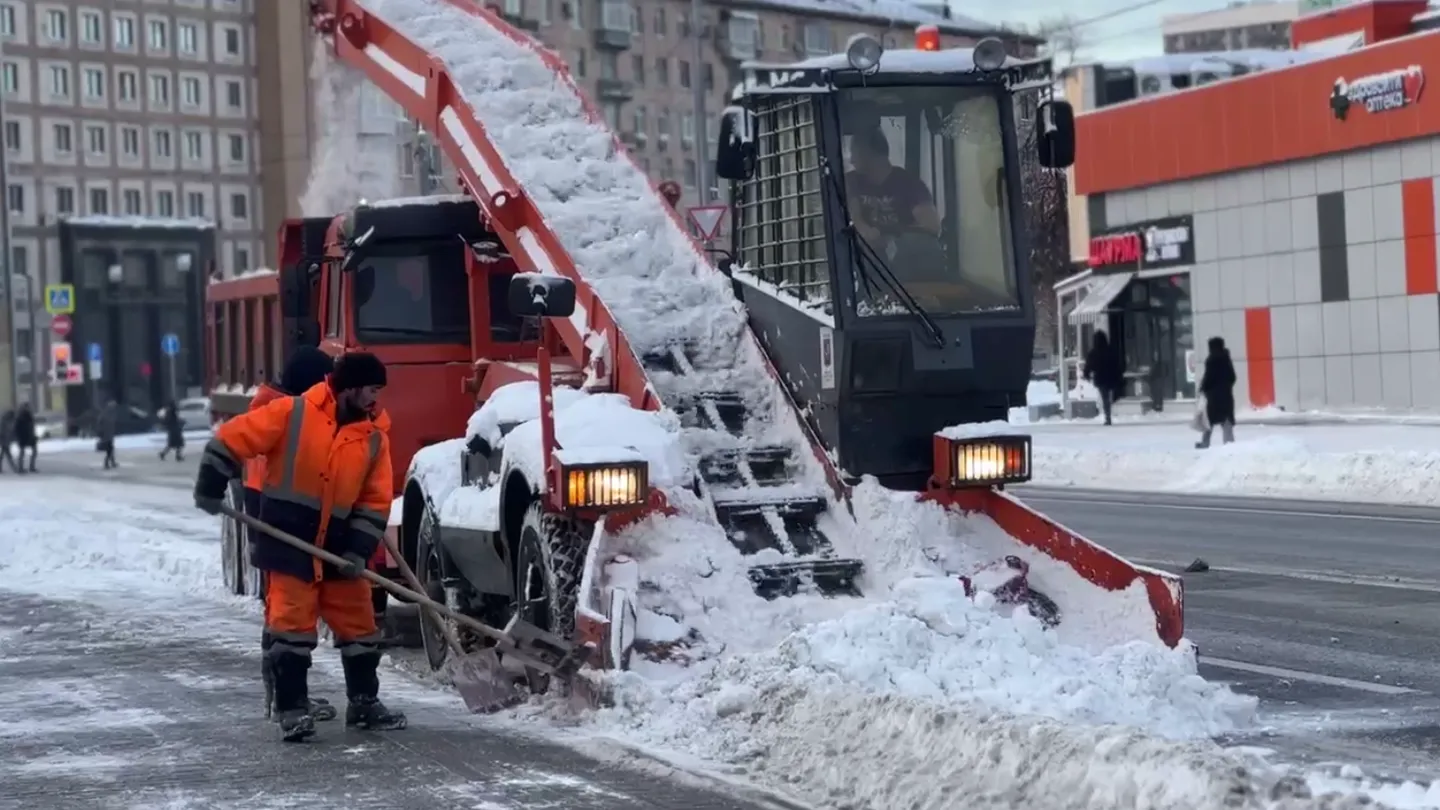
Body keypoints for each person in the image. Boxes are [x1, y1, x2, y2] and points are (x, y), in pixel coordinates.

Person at [193, 351, 403, 742]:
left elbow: (375, 501)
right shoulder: (292, 414)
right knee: (290, 629)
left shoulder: (373, 438)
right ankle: (293, 710)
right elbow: (231, 440)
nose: (376, 399)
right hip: (289, 544)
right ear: (351, 387)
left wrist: (358, 549)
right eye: (372, 389)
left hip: (339, 550)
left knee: (360, 629)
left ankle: (363, 704)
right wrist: (210, 485)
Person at [243, 347, 337, 724]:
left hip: (266, 520)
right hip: (277, 525)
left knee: (278, 610)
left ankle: (282, 697)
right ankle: (286, 699)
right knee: (286, 614)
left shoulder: (273, 412)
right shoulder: (285, 420)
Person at [846, 128, 940, 242]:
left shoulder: (910, 185)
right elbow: (854, 215)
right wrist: (864, 231)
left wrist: (886, 234)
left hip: (901, 256)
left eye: (854, 153)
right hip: (859, 257)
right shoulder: (850, 181)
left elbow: (931, 227)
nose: (851, 160)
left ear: (869, 152)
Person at [1196, 336, 1237, 449]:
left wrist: (1203, 388)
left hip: (1213, 397)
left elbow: (1208, 377)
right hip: (1226, 396)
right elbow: (1233, 377)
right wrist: (1226, 387)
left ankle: (1205, 442)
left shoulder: (1211, 360)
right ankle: (1229, 443)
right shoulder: (1226, 359)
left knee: (1208, 420)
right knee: (1226, 421)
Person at [1083, 331, 1123, 426]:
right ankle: (1109, 412)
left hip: (1100, 378)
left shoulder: (1093, 353)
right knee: (1109, 396)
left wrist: (1087, 374)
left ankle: (1107, 416)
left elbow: (1089, 365)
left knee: (1105, 398)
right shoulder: (1111, 350)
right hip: (1111, 377)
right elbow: (1117, 364)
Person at [13, 403, 37, 473]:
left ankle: (31, 466)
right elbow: (17, 428)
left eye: (28, 407)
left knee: (34, 451)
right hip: (23, 436)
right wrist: (18, 436)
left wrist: (33, 434)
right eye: (27, 407)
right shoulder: (20, 417)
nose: (28, 408)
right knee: (22, 452)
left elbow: (32, 426)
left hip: (30, 436)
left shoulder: (29, 416)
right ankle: (21, 468)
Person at [96, 399, 119, 469]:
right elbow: (100, 422)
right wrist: (101, 432)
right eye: (113, 405)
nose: (114, 407)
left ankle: (112, 462)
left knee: (111, 449)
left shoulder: (111, 413)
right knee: (110, 449)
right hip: (106, 435)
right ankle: (107, 463)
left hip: (109, 434)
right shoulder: (106, 413)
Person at [0, 409, 16, 473]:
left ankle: (14, 468)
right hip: (4, 439)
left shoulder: (9, 420)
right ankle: (14, 468)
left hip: (6, 439)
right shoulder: (4, 421)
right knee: (8, 454)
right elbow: (2, 430)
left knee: (3, 454)